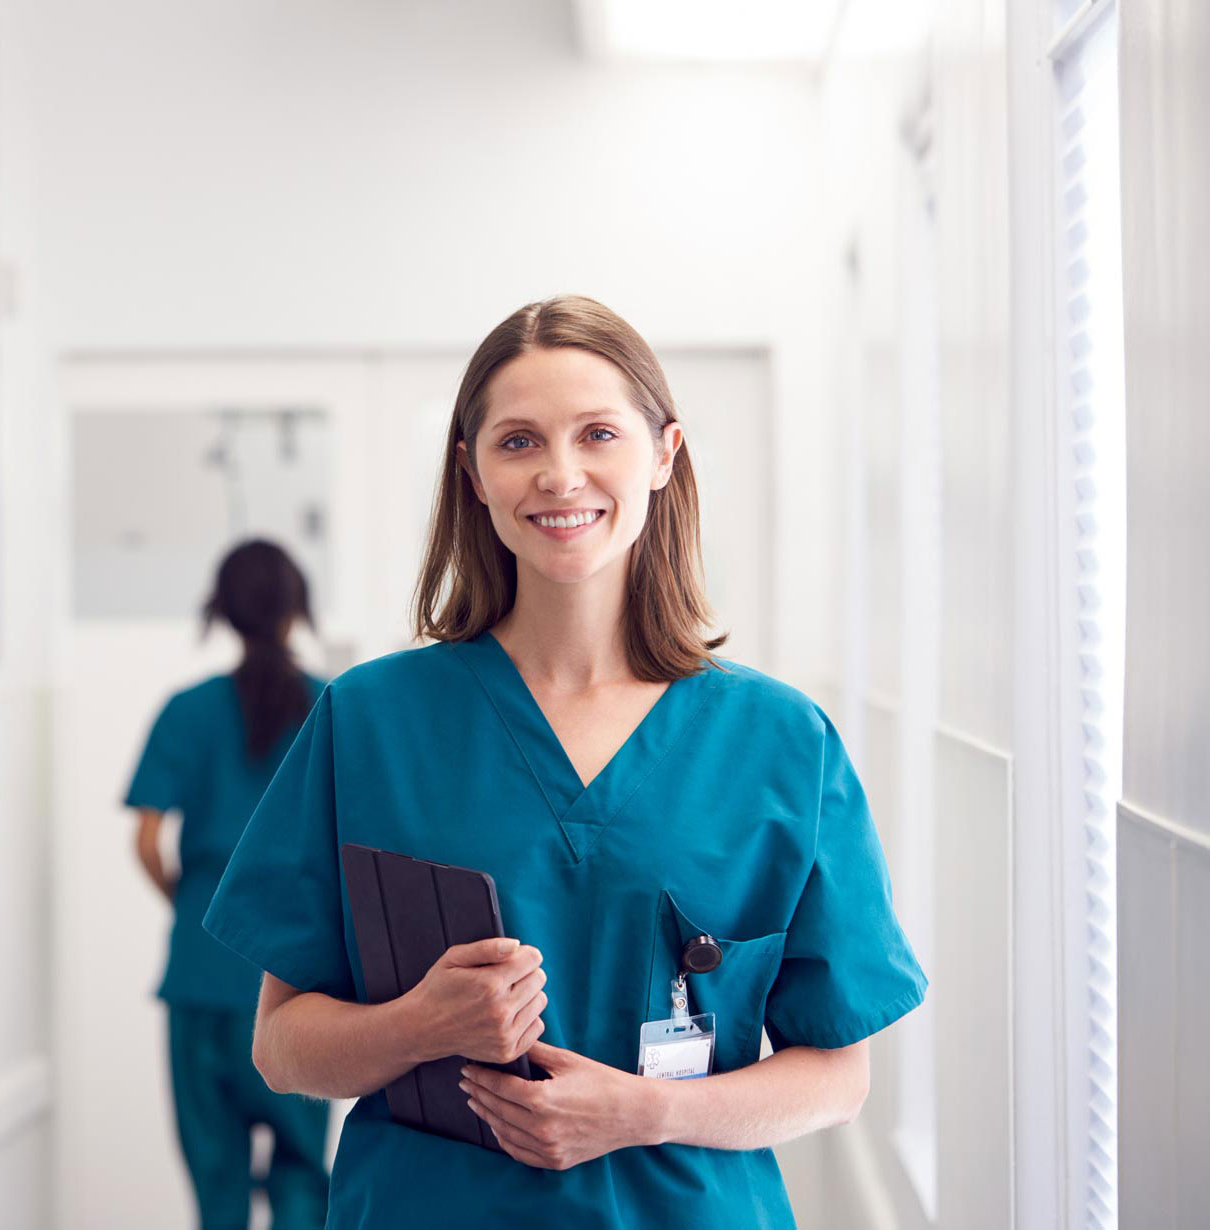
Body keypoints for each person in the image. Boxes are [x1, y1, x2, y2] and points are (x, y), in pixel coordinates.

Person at [202, 296, 928, 1228]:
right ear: (471, 474)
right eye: (516, 442)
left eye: (597, 434)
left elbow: (836, 1073)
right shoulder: (371, 720)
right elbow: (281, 1045)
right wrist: (422, 1024)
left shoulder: (779, 741)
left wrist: (647, 1111)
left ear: (664, 453)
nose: (559, 475)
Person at [125, 539, 331, 1229]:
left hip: (201, 975)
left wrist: (195, 904)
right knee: (304, 1178)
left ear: (220, 611)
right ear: (295, 609)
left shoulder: (186, 708)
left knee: (216, 1184)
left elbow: (147, 841)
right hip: (300, 977)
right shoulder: (331, 707)